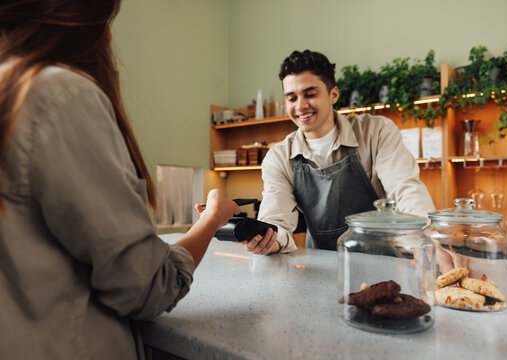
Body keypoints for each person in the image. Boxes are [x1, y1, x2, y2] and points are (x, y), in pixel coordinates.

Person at [0, 1, 240, 358]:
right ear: (74, 22)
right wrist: (212, 219)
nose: (110, 37)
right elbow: (149, 287)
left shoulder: (12, 91)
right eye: (106, 23)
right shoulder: (59, 95)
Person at [242, 49, 436, 255]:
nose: (300, 106)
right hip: (321, 269)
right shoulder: (279, 157)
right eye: (291, 98)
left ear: (333, 94)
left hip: (384, 263)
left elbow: (406, 189)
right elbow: (276, 220)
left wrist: (428, 240)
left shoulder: (376, 132)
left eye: (310, 94)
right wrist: (268, 241)